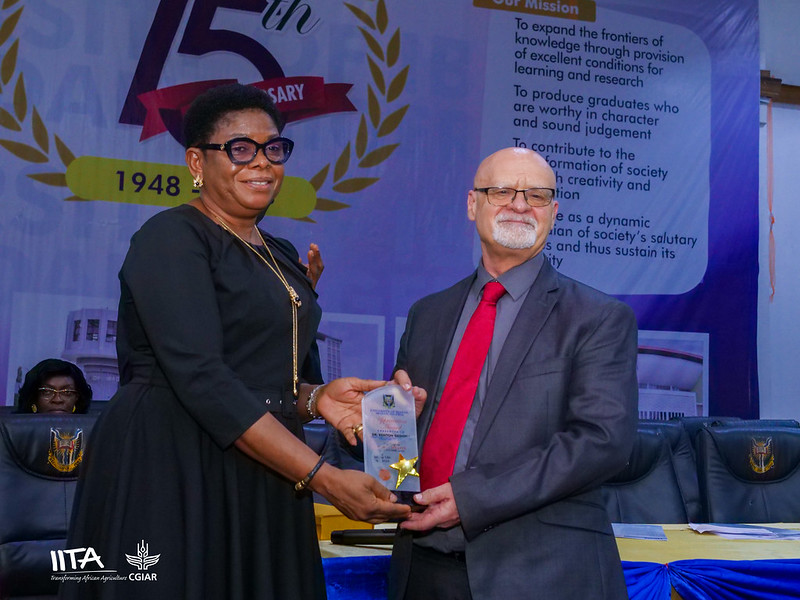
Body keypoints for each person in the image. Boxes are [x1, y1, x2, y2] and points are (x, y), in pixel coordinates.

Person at [62, 83, 409, 600]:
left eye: (274, 149)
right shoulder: (171, 238)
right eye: (240, 149)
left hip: (263, 465)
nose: (262, 163)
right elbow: (202, 377)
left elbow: (271, 374)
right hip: (173, 464)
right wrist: (325, 478)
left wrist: (317, 398)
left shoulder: (283, 253)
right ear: (197, 162)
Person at [388, 147, 638, 600]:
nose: (519, 205)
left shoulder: (599, 318)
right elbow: (401, 449)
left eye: (537, 196)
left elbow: (602, 442)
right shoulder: (427, 314)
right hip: (421, 568)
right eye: (501, 190)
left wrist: (471, 497)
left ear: (554, 212)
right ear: (472, 204)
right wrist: (382, 436)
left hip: (543, 573)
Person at [15, 358, 92, 414]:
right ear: (33, 397)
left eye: (67, 392)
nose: (57, 400)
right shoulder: (9, 430)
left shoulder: (93, 431)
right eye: (47, 391)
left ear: (77, 397)